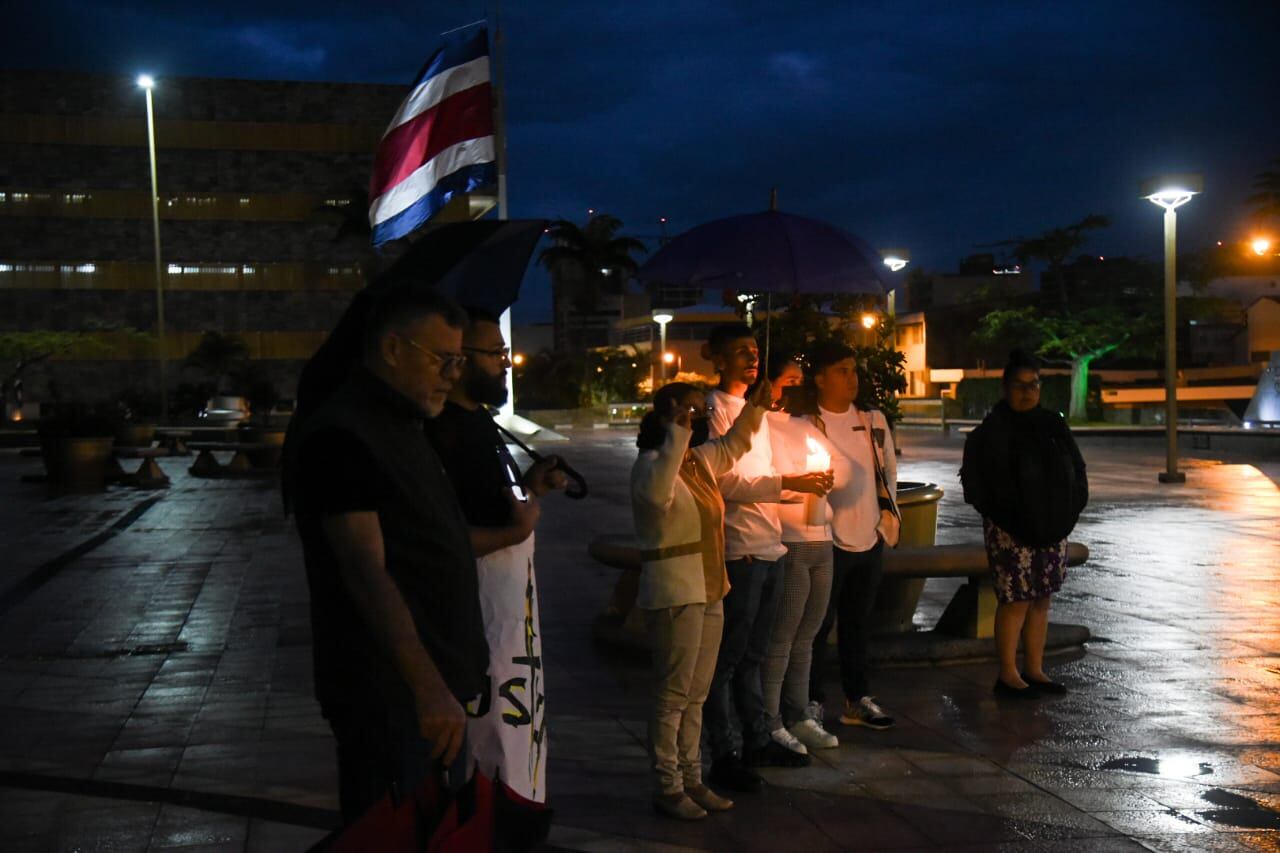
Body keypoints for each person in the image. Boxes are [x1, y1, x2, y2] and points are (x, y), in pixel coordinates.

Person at [291, 284, 488, 823]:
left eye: (460, 360)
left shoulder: (404, 424)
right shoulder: (342, 437)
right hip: (392, 697)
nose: (453, 374)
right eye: (443, 360)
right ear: (393, 349)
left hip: (431, 691)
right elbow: (366, 572)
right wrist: (427, 688)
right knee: (391, 832)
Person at [423, 307, 567, 847]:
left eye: (504, 353)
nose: (506, 364)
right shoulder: (440, 433)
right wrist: (514, 530)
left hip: (512, 624)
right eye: (494, 354)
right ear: (458, 362)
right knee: (493, 750)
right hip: (482, 630)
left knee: (518, 743)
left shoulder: (479, 423)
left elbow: (495, 508)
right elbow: (444, 537)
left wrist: (530, 488)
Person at [631, 378, 771, 819]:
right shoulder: (653, 464)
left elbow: (732, 447)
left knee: (696, 694)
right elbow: (657, 497)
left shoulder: (695, 461)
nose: (699, 419)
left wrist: (756, 408)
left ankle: (693, 778)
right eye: (690, 411)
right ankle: (667, 785)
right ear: (669, 414)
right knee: (672, 695)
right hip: (677, 591)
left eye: (700, 412)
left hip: (710, 589)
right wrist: (676, 433)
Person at [702, 325, 833, 790]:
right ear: (714, 358)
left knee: (755, 653)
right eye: (738, 351)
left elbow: (763, 470)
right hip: (740, 550)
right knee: (728, 659)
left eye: (754, 351)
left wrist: (794, 480)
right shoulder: (715, 410)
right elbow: (724, 482)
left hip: (770, 544)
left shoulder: (757, 409)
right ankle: (723, 751)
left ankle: (757, 737)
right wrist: (788, 485)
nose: (750, 359)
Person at [960, 349, 1088, 698]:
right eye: (1020, 385)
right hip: (1010, 531)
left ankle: (1034, 668)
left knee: (1042, 599)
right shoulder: (991, 432)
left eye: (1033, 384)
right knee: (1015, 601)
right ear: (1005, 387)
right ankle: (1008, 673)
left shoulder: (1052, 425)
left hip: (1052, 528)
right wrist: (1005, 516)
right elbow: (976, 486)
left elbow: (1077, 469)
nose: (1027, 392)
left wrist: (1071, 510)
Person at [803, 341, 901, 731]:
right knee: (817, 624)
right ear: (820, 378)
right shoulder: (809, 422)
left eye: (853, 370)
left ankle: (856, 698)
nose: (851, 378)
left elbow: (888, 470)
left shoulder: (873, 420)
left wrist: (884, 522)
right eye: (841, 370)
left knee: (858, 622)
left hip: (869, 537)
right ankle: (810, 699)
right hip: (827, 539)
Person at [761, 353, 842, 752]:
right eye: (787, 380)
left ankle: (799, 714)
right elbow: (766, 478)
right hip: (789, 537)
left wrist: (824, 476)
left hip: (821, 538)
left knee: (808, 634)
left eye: (799, 379)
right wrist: (800, 482)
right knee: (783, 634)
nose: (795, 386)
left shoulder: (808, 424)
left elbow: (836, 466)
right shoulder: (759, 425)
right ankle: (771, 717)